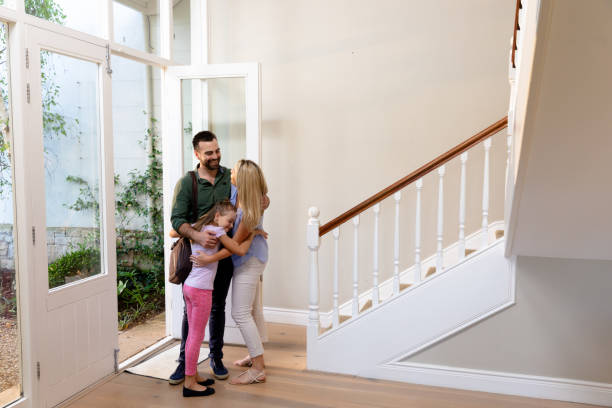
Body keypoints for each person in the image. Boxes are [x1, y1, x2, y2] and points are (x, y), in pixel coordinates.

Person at [170, 131, 269, 384]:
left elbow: (252, 194)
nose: (215, 156)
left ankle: (215, 357)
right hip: (199, 256)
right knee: (189, 310)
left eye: (217, 150)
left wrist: (262, 201)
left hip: (224, 258)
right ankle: (184, 364)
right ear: (197, 154)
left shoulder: (229, 178)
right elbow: (176, 221)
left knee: (218, 308)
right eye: (209, 153)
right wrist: (198, 236)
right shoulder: (187, 183)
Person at [191, 159, 269, 385]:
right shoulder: (238, 194)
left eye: (234, 171)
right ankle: (255, 354)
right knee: (253, 310)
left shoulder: (249, 213)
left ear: (242, 180)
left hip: (249, 261)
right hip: (249, 258)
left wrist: (209, 259)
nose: (230, 173)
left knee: (240, 313)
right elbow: (264, 192)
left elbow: (233, 246)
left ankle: (258, 369)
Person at [177, 200, 264, 397]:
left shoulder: (202, 228)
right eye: (229, 220)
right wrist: (253, 233)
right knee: (196, 337)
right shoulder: (216, 231)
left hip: (190, 286)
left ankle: (193, 374)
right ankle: (189, 383)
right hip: (201, 292)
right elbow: (238, 249)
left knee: (192, 335)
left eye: (233, 223)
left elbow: (181, 231)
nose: (231, 226)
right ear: (217, 216)